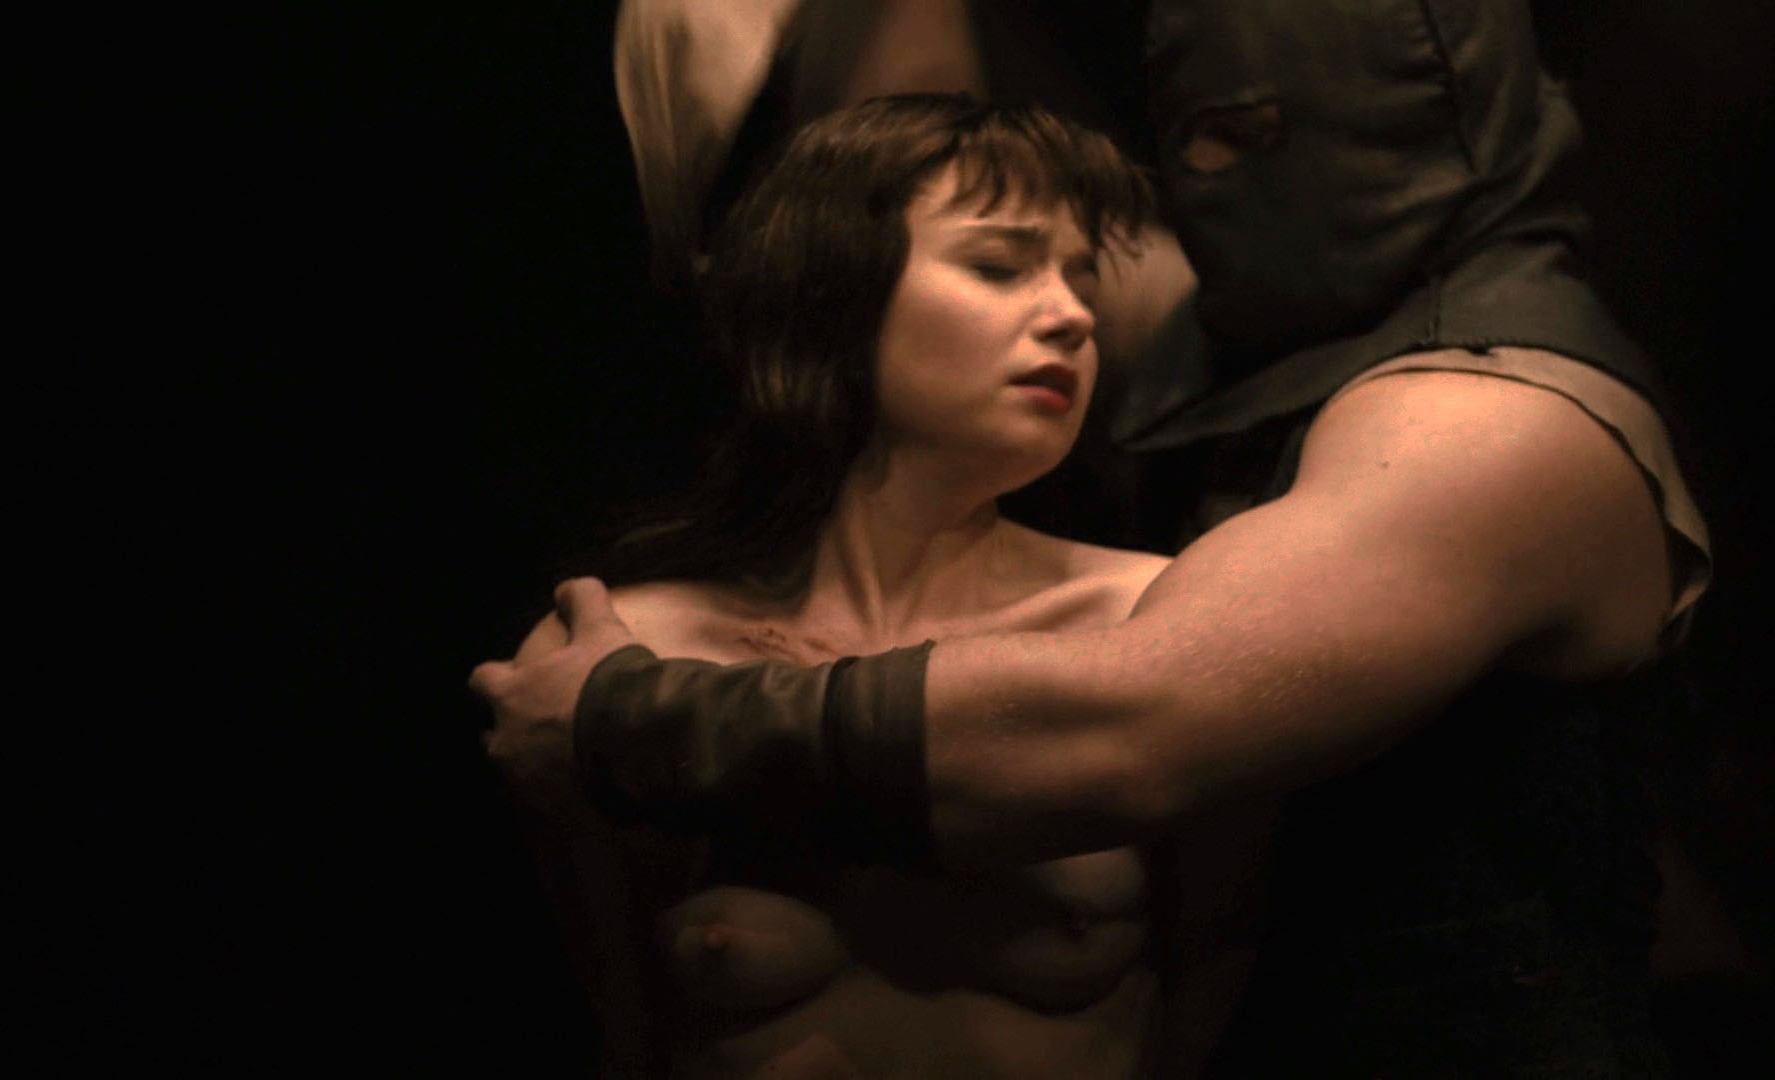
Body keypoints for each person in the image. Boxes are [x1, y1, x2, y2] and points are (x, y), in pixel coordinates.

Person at [479, 1, 1713, 1073]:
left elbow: (1128, 732)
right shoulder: (1272, 322)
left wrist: (625, 719)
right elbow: (910, 220)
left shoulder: (1496, 415)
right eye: (1194, 143)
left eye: (1248, 135)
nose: (1070, 314)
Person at [494, 95, 1202, 1077]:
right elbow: (611, 1011)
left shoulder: (1156, 618)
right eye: (1000, 267)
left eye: (1083, 281)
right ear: (834, 291)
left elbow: (1220, 982)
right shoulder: (625, 647)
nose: (1074, 315)